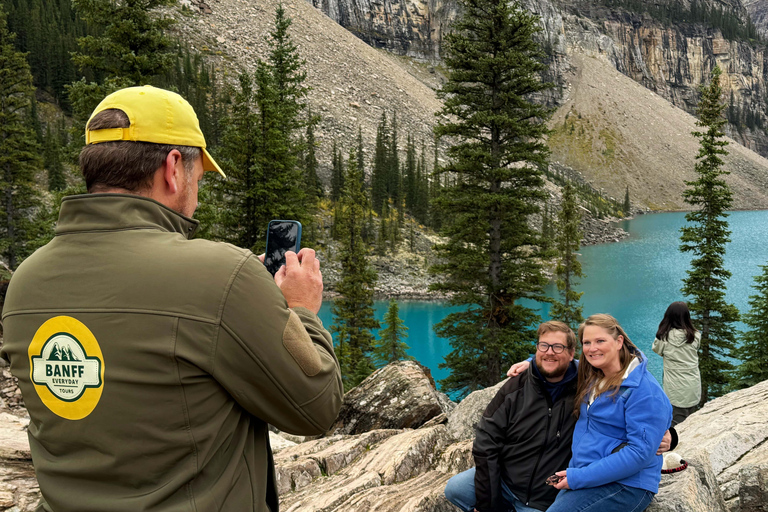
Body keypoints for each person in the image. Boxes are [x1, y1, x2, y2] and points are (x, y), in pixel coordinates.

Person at [0, 85, 344, 512]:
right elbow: (316, 407)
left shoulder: (25, 282)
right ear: (174, 168)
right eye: (199, 180)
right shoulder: (221, 274)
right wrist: (299, 310)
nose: (196, 198)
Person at [445, 321, 580, 512]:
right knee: (455, 488)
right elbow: (486, 442)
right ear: (536, 349)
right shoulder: (517, 386)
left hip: (545, 495)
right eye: (544, 346)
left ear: (571, 353)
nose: (550, 352)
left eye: (558, 347)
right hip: (506, 481)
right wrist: (488, 505)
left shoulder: (585, 386)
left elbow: (621, 363)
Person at [546, 314, 672, 512]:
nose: (592, 348)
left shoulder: (643, 389)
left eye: (600, 341)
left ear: (619, 341)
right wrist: (530, 363)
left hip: (627, 485)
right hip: (588, 474)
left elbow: (639, 454)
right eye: (586, 342)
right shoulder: (595, 375)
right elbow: (559, 363)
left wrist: (579, 477)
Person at [652, 301, 701, 426]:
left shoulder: (663, 337)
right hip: (693, 389)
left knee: (675, 425)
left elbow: (656, 350)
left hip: (674, 390)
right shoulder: (695, 335)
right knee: (692, 423)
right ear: (687, 317)